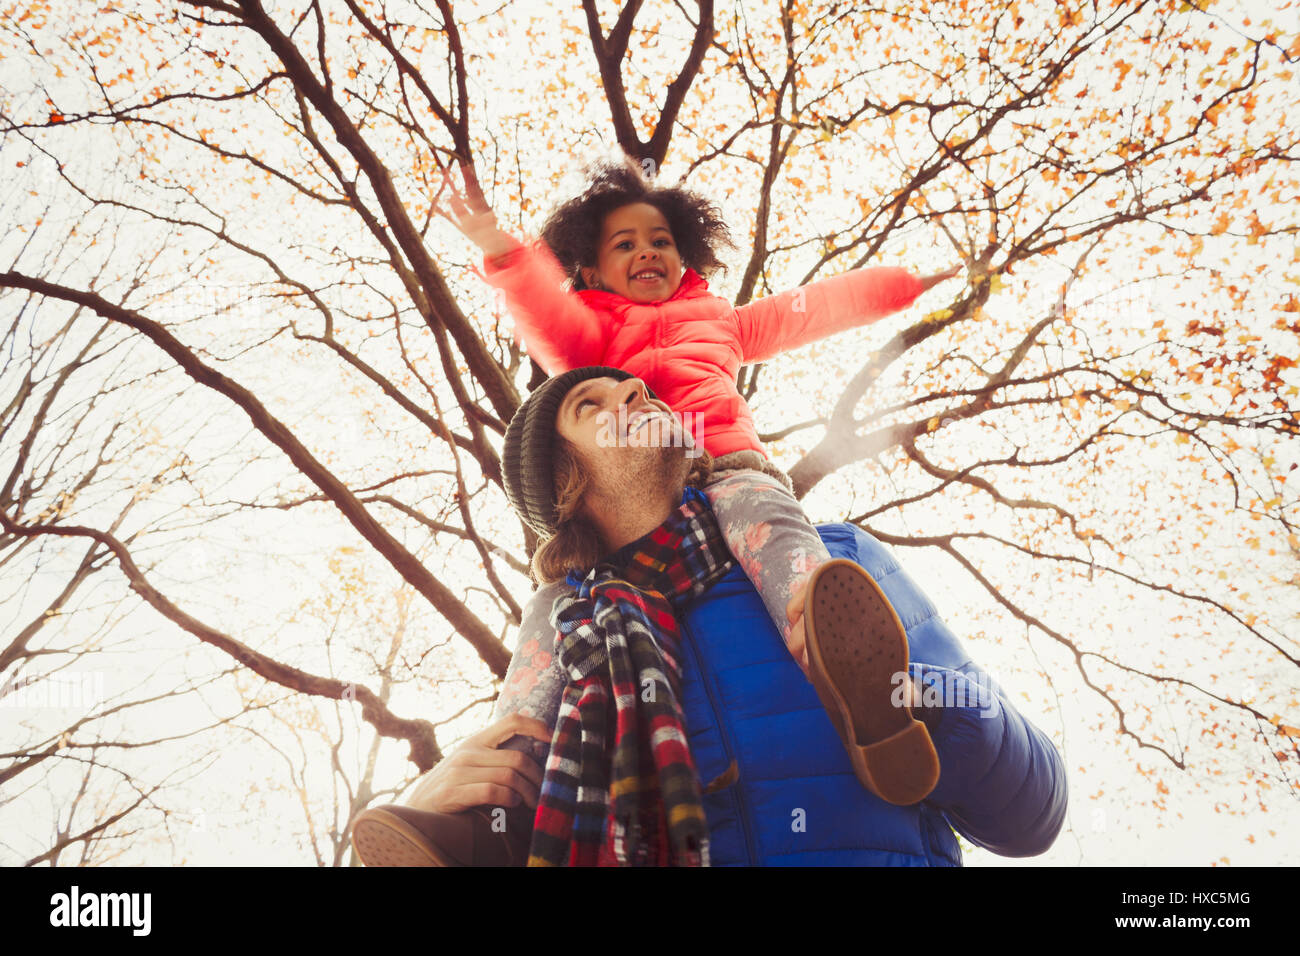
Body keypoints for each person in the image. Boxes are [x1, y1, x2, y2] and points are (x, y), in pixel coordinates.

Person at [349, 368, 1068, 866]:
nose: (635, 389)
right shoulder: (565, 650)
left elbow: (1034, 810)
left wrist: (922, 705)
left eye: (638, 387)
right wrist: (450, 808)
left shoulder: (835, 567)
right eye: (591, 405)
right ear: (563, 485)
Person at [447, 158, 961, 802]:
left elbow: (813, 309)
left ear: (684, 255)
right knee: (553, 606)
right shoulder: (593, 337)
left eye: (661, 240)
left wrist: (903, 285)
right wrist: (502, 251)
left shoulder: (722, 323)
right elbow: (544, 314)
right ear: (590, 270)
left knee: (771, 522)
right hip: (632, 499)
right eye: (625, 244)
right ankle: (493, 791)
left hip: (724, 467)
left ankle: (834, 655)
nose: (647, 252)